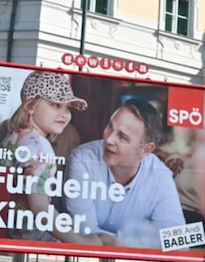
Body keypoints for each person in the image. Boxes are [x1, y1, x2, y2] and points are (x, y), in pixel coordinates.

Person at [0, 71, 101, 244]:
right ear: (30, 106)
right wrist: (81, 242)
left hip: (9, 235)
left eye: (68, 108)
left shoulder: (14, 136)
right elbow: (41, 209)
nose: (64, 114)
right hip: (34, 241)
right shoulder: (40, 147)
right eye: (56, 105)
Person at [64, 99, 186, 248]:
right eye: (110, 126)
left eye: (122, 137)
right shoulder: (83, 159)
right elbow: (85, 234)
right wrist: (140, 241)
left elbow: (178, 240)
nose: (109, 139)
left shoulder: (161, 177)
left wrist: (116, 241)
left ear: (146, 150)